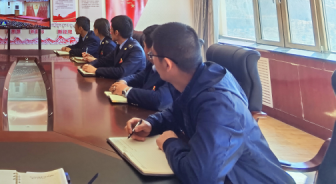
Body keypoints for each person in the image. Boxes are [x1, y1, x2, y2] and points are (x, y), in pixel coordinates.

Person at [125, 22, 293, 184]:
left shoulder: (219, 105)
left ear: (168, 64)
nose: (150, 60)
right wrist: (151, 124)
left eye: (152, 56)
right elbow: (174, 113)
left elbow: (200, 178)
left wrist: (170, 143)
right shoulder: (193, 80)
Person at [109, 24, 176, 111]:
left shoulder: (171, 69)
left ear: (151, 50)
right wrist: (122, 82)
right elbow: (138, 77)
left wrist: (126, 90)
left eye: (144, 46)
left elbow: (160, 99)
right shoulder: (152, 64)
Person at [81, 15, 145, 79]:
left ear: (116, 32)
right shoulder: (120, 45)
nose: (110, 31)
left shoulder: (136, 50)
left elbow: (122, 72)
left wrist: (96, 70)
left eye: (111, 29)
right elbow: (104, 60)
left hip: (128, 84)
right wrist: (90, 65)